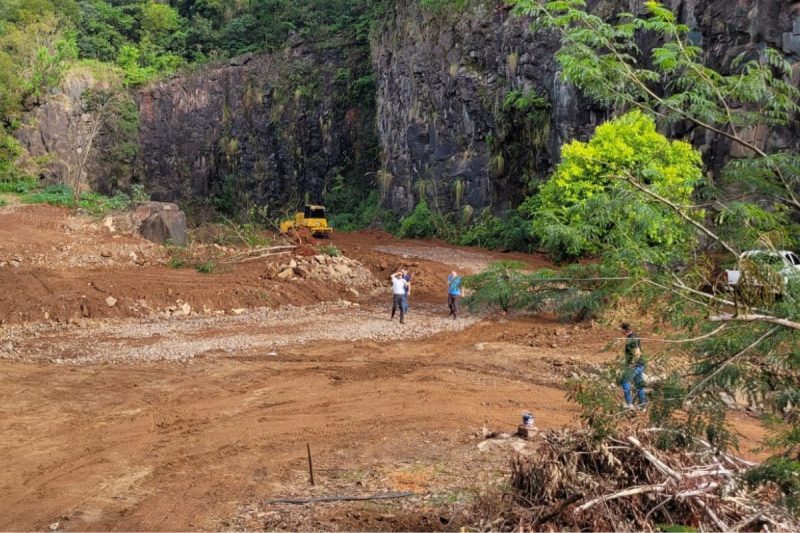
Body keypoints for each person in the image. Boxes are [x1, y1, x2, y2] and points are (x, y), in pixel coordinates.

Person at [620, 322, 647, 408]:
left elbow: (637, 353)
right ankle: (643, 406)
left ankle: (629, 403)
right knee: (639, 385)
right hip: (641, 364)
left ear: (624, 330)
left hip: (635, 365)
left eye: (622, 330)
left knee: (624, 381)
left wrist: (631, 364)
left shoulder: (631, 339)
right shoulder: (635, 336)